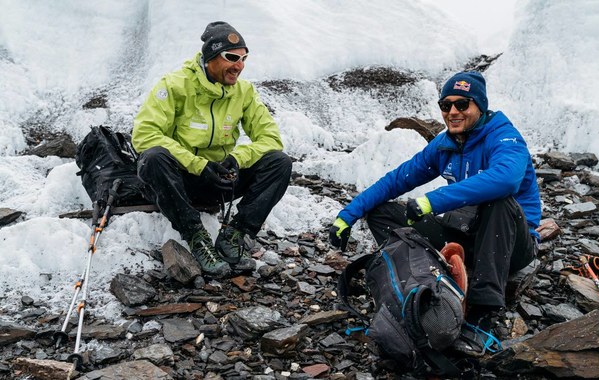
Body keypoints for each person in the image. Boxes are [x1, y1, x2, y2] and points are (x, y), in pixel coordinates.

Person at [329, 71, 541, 353]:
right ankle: (417, 282)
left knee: (499, 200)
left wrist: (432, 201)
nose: (453, 112)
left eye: (462, 104)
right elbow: (397, 180)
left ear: (480, 106)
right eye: (446, 105)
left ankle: (482, 312)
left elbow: (507, 179)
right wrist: (348, 215)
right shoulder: (446, 145)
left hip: (512, 244)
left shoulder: (503, 137)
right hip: (466, 237)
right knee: (383, 213)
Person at [132, 21, 292, 279]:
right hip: (179, 183)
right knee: (152, 158)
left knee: (279, 162)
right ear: (210, 57)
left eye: (243, 59)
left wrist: (236, 159)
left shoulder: (244, 92)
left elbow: (271, 139)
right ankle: (196, 236)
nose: (239, 66)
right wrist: (198, 165)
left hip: (218, 179)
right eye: (231, 57)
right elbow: (144, 135)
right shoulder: (174, 85)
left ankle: (236, 234)